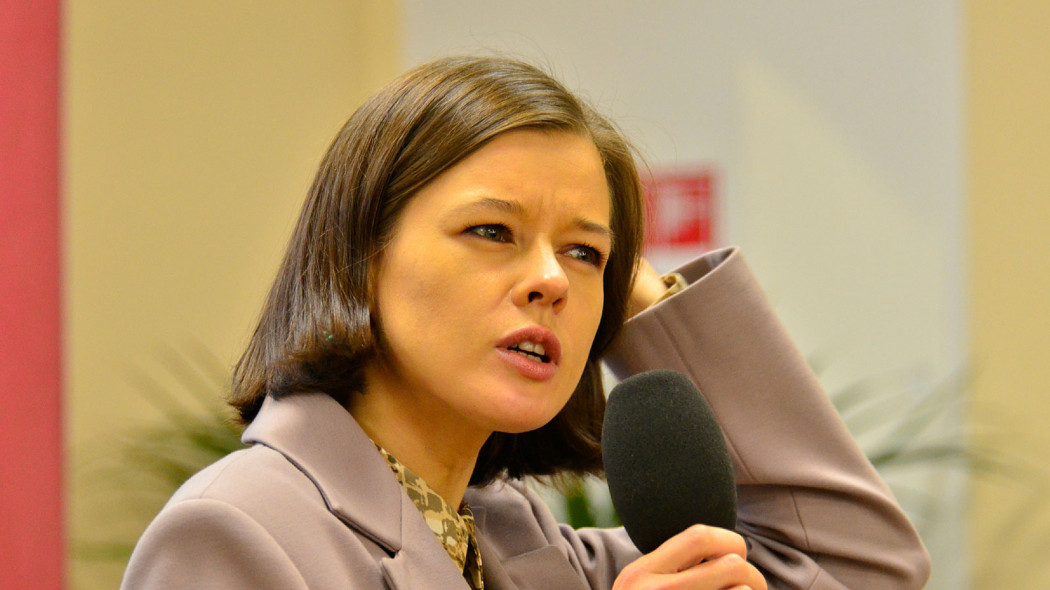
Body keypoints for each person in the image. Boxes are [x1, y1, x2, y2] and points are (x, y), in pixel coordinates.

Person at [121, 55, 930, 589]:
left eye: (583, 252)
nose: (550, 280)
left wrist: (646, 299)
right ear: (361, 254)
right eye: (491, 231)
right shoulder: (234, 531)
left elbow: (851, 564)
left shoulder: (518, 540)